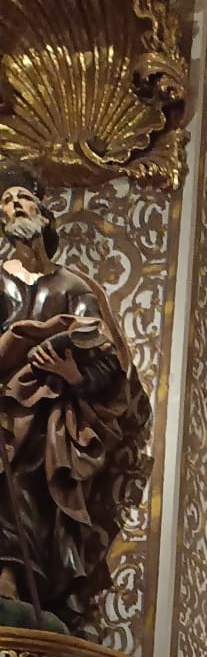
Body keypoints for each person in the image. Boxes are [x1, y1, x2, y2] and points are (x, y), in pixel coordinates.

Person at [0, 172, 149, 630]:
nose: (16, 206)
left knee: (32, 491)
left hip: (49, 424)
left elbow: (104, 362)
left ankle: (21, 584)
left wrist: (70, 373)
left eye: (25, 198)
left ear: (44, 215)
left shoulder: (73, 287)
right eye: (6, 202)